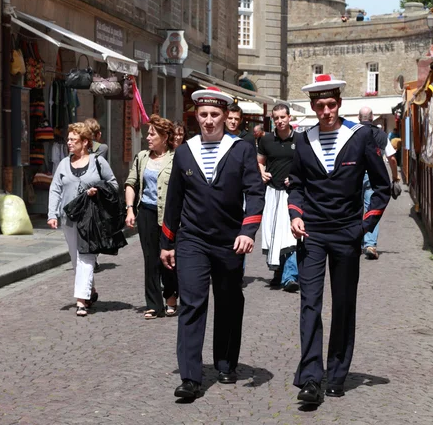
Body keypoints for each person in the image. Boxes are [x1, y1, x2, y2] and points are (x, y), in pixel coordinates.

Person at [288, 75, 391, 403]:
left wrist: (364, 228)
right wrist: (295, 214)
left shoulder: (360, 137)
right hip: (312, 233)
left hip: (347, 233)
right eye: (320, 106)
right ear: (313, 107)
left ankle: (337, 372)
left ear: (339, 104)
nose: (327, 111)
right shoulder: (303, 141)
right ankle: (311, 377)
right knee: (310, 304)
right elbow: (296, 184)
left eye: (331, 105)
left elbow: (382, 187)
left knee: (344, 304)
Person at [159, 87, 265, 399]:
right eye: (203, 115)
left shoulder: (241, 149)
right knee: (192, 302)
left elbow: (255, 193)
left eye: (214, 115)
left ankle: (225, 362)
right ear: (196, 116)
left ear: (224, 116)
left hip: (230, 239)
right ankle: (190, 377)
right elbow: (174, 200)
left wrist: (248, 231)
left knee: (229, 300)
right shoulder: (184, 151)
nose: (208, 121)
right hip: (192, 239)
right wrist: (167, 243)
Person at [47, 122, 118, 317]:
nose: (69, 143)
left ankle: (80, 301)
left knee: (86, 256)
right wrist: (52, 214)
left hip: (91, 218)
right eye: (68, 139)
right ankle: (90, 291)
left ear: (85, 142)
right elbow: (55, 189)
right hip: (69, 218)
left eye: (73, 140)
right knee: (74, 258)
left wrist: (99, 190)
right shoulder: (63, 164)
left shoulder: (98, 162)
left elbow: (113, 184)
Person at [125, 114, 178, 319]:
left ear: (164, 137)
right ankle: (153, 304)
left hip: (169, 215)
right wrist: (130, 209)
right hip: (147, 212)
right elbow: (131, 183)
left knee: (169, 258)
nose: (148, 137)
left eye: (152, 134)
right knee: (151, 259)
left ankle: (171, 297)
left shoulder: (176, 158)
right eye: (148, 133)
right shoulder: (142, 157)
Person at [257, 104, 299, 292]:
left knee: (290, 233)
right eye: (276, 118)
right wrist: (262, 172)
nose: (280, 121)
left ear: (290, 118)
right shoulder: (266, 140)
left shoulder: (300, 140)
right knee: (273, 234)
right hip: (272, 193)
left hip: (292, 193)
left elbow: (306, 164)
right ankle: (279, 272)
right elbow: (259, 162)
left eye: (283, 117)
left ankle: (290, 276)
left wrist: (296, 177)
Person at [358, 107, 400, 260]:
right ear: (372, 117)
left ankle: (354, 242)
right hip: (373, 175)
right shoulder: (381, 135)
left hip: (354, 176)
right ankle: (370, 244)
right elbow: (392, 159)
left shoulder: (351, 132)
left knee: (355, 208)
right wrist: (395, 178)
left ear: (358, 117)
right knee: (372, 208)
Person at [84, 117, 108, 273]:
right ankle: (93, 257)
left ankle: (87, 256)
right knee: (96, 224)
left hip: (82, 188)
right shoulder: (102, 148)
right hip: (96, 189)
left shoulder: (81, 147)